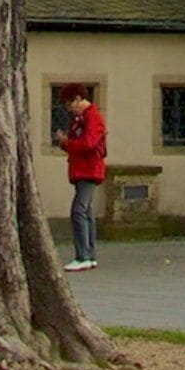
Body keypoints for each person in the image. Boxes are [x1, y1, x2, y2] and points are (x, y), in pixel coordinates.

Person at [56, 87, 105, 270]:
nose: (69, 109)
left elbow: (89, 143)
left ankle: (82, 256)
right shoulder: (80, 119)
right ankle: (90, 255)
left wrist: (67, 143)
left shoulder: (92, 117)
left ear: (78, 99)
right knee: (87, 212)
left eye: (70, 105)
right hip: (81, 169)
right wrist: (65, 143)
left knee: (78, 210)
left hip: (88, 169)